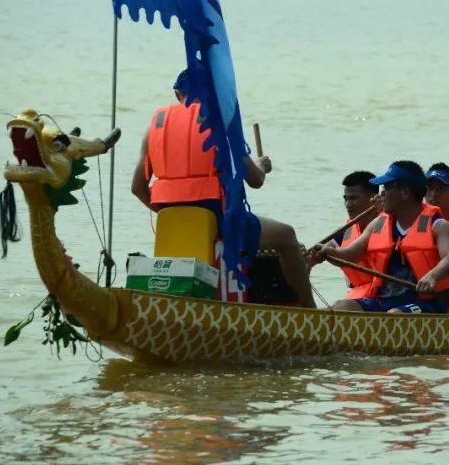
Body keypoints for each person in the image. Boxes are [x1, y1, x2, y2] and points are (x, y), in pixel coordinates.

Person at [131, 70, 313, 306]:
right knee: (287, 237)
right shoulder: (219, 122)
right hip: (220, 220)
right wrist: (262, 165)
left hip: (169, 218)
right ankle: (311, 309)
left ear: (178, 94)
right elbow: (255, 180)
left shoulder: (154, 126)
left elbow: (137, 187)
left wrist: (171, 214)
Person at [308, 161, 449, 313]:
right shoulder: (378, 224)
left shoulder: (438, 225)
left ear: (405, 193)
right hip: (386, 300)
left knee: (394, 315)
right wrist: (328, 252)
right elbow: (349, 254)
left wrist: (432, 276)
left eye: (386, 187)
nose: (381, 194)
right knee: (342, 306)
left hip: (428, 302)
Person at [330, 171, 380, 300]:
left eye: (353, 198)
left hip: (385, 296)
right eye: (346, 199)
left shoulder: (390, 225)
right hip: (359, 295)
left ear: (374, 198)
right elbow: (314, 257)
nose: (348, 205)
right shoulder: (347, 230)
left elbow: (348, 255)